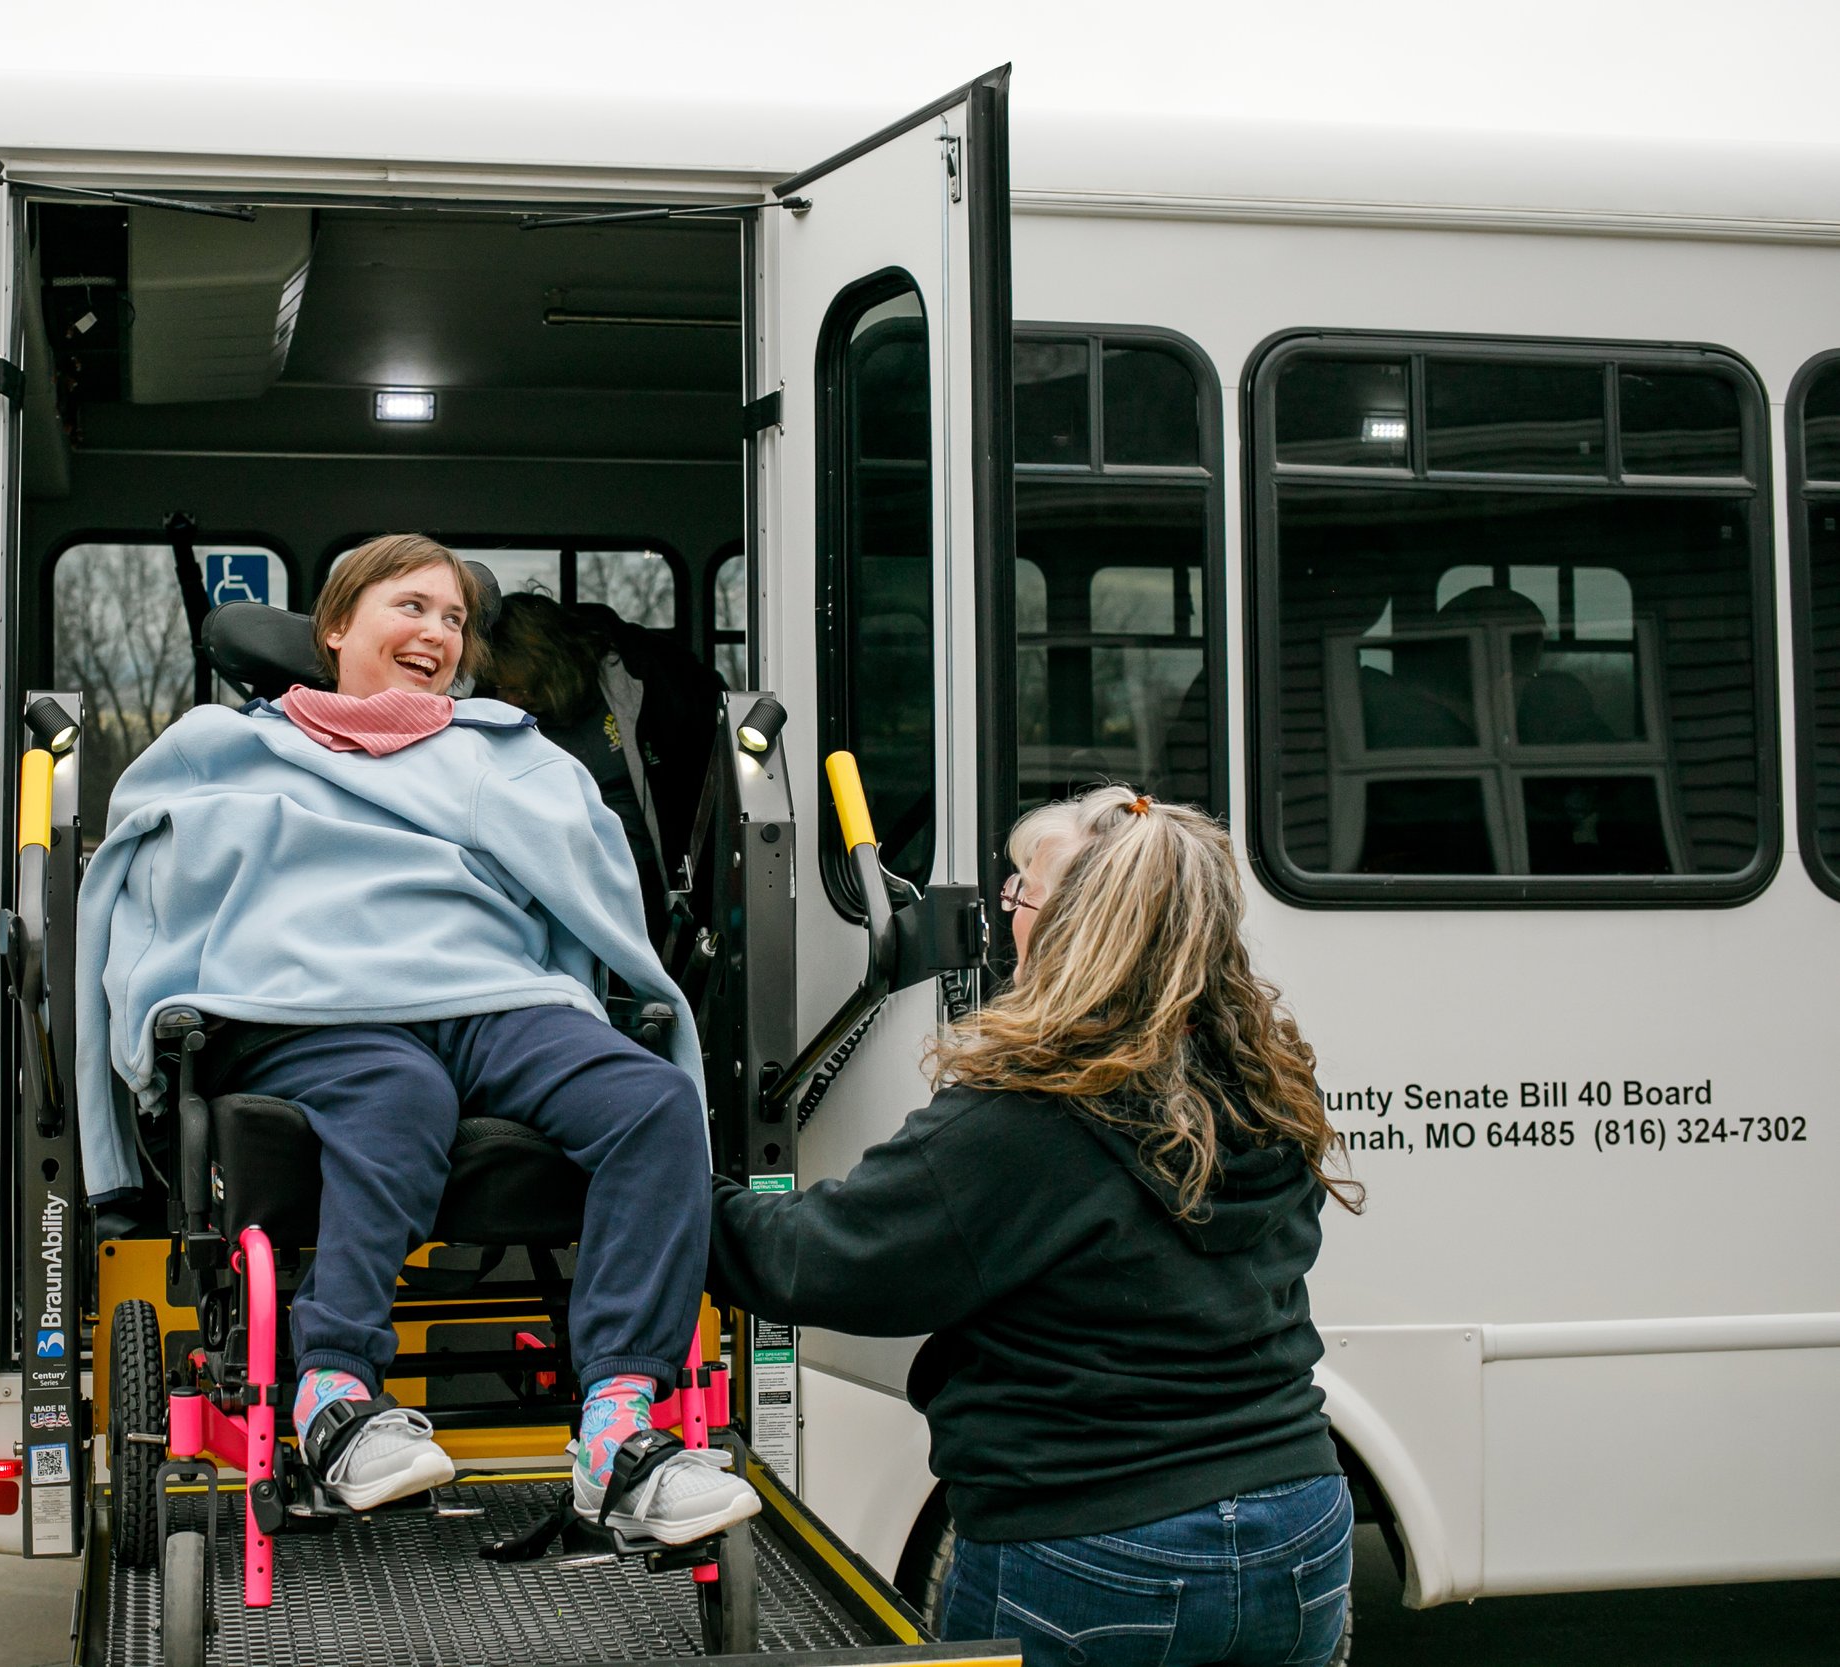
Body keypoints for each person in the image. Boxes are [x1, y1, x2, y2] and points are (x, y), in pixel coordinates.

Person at [77, 534, 759, 1545]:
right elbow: (140, 894)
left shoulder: (508, 752)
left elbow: (590, 888)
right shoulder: (225, 745)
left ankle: (617, 1430)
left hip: (485, 995)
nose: (437, 630)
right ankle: (332, 1392)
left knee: (650, 1097)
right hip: (308, 1000)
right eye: (412, 605)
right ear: (338, 626)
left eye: (453, 619)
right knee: (398, 1089)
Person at [708, 786, 1363, 1665]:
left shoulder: (1026, 1114)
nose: (1005, 916)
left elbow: (814, 1259)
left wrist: (665, 1193)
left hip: (1092, 1542)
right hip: (1299, 1523)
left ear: (1077, 931)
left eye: (1019, 896)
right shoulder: (1264, 1083)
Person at [487, 592, 725, 940]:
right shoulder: (496, 708)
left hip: (649, 873)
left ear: (549, 666)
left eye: (520, 688)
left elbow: (710, 756)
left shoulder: (642, 675)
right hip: (557, 878)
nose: (508, 699)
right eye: (500, 687)